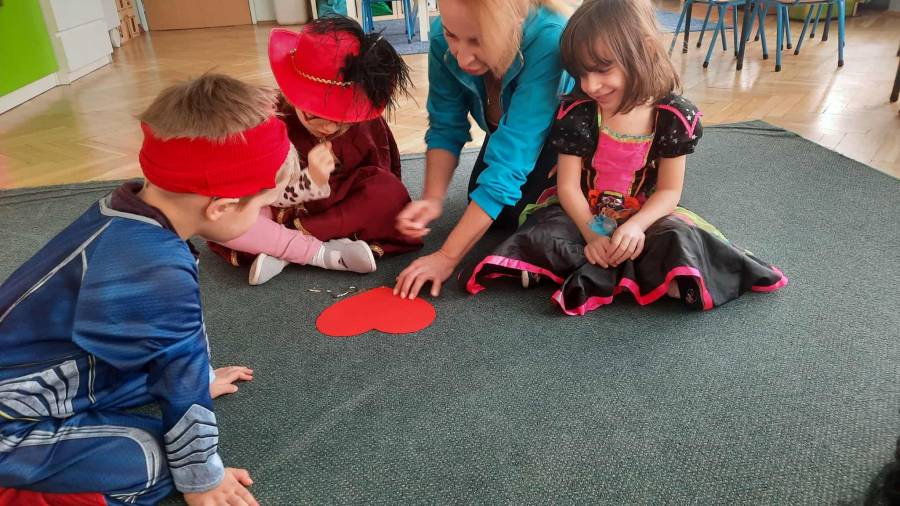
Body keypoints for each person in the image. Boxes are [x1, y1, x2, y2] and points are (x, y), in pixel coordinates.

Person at [0, 74, 288, 505]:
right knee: (157, 459)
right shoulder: (155, 268)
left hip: (44, 377)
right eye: (263, 205)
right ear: (222, 206)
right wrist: (203, 480)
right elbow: (179, 374)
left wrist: (200, 379)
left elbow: (172, 350)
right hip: (10, 422)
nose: (264, 213)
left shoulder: (127, 209)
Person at [465, 0, 787, 314]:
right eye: (581, 73)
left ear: (645, 50)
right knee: (544, 227)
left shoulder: (673, 116)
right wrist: (592, 233)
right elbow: (568, 188)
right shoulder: (578, 112)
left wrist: (635, 228)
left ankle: (579, 265)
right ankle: (642, 273)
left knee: (679, 237)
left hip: (645, 216)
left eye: (602, 69)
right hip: (583, 214)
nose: (590, 85)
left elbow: (669, 191)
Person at [209, 17, 421, 285]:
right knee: (226, 215)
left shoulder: (365, 118)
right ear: (291, 94)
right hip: (283, 205)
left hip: (343, 208)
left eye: (342, 119)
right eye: (314, 116)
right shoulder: (269, 121)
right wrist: (311, 181)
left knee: (388, 194)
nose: (329, 127)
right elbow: (259, 195)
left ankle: (280, 247)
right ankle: (313, 250)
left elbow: (382, 177)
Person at [393, 0, 571, 299]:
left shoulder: (550, 39)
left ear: (516, 22)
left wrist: (448, 256)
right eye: (451, 35)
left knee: (525, 213)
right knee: (495, 209)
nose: (462, 57)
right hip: (512, 135)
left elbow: (511, 160)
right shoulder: (442, 35)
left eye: (478, 40)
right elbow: (445, 126)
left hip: (567, 145)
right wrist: (432, 198)